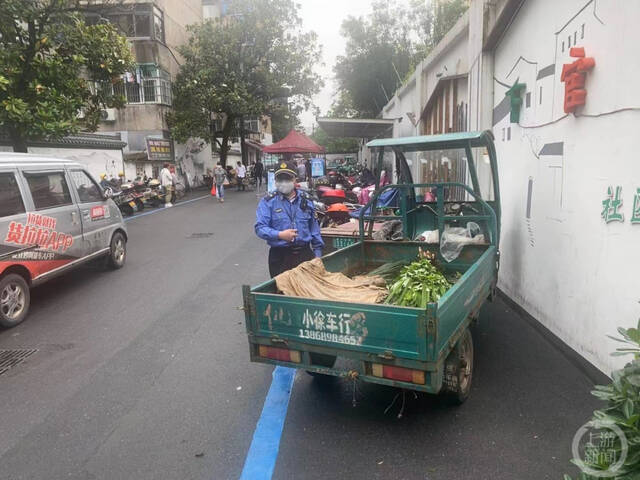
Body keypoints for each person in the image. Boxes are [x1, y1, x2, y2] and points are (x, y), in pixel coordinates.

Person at [255, 161, 324, 277]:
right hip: (280, 256)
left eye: (287, 178)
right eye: (280, 179)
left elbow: (314, 230)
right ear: (275, 181)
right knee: (282, 292)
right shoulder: (268, 202)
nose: (284, 182)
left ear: (295, 180)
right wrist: (279, 235)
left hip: (305, 255)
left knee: (307, 292)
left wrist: (317, 255)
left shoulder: (306, 200)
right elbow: (260, 228)